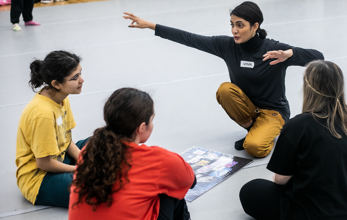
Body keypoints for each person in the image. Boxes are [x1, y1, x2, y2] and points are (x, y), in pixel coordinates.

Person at [122, 1, 324, 158]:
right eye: (232, 24)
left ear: (255, 26)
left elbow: (318, 57)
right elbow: (189, 38)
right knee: (225, 90)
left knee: (254, 148)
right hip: (249, 109)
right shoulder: (227, 46)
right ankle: (253, 129)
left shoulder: (273, 49)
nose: (234, 30)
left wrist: (290, 54)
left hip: (274, 112)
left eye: (240, 25)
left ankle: (262, 133)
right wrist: (150, 26)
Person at [239, 60, 347, 220]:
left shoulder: (298, 126)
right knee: (336, 173)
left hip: (313, 214)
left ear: (308, 88)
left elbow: (280, 179)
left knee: (250, 190)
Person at [69, 88, 196, 220]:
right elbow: (191, 181)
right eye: (151, 120)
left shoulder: (90, 150)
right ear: (141, 127)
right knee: (170, 191)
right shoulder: (158, 160)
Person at [16, 50, 89, 208]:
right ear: (56, 84)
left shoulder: (61, 97)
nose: (82, 80)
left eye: (80, 73)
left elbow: (67, 140)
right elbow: (44, 163)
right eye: (75, 77)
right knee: (95, 185)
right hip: (40, 177)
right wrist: (81, 168)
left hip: (61, 158)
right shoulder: (42, 113)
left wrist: (84, 160)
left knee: (105, 142)